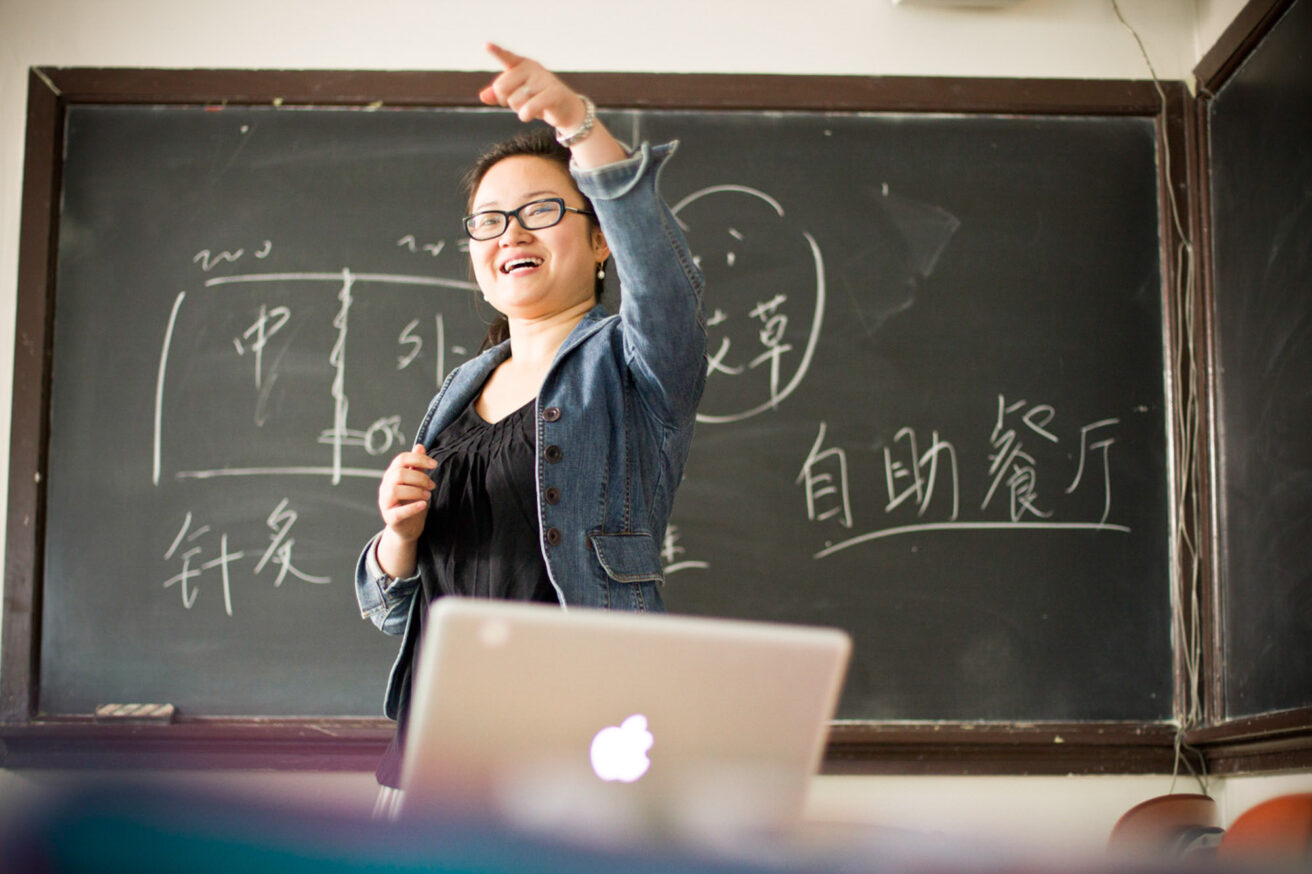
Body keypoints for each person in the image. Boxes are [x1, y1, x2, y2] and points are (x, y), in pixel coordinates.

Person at [354, 44, 707, 814]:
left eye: (541, 211)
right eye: (489, 220)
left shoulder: (634, 366)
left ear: (600, 237)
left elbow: (665, 278)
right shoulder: (459, 392)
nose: (511, 233)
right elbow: (392, 608)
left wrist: (578, 125)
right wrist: (397, 539)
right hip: (429, 761)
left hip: (571, 758)